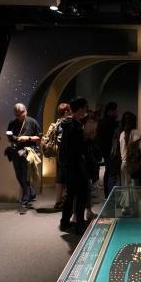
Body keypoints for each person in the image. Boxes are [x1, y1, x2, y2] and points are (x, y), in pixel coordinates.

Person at [59, 98, 92, 234]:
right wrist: (88, 140)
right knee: (81, 194)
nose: (85, 111)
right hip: (77, 164)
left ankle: (65, 222)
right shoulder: (76, 126)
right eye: (84, 108)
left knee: (70, 194)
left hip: (68, 165)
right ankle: (79, 224)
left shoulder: (66, 124)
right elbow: (79, 147)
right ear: (80, 109)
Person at [6, 103, 42, 212]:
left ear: (25, 111)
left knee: (25, 175)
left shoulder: (32, 122)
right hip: (15, 151)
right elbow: (10, 137)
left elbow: (39, 137)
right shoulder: (12, 123)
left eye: (21, 113)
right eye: (17, 114)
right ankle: (31, 193)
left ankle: (24, 201)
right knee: (19, 175)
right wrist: (13, 137)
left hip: (27, 151)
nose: (20, 116)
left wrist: (27, 138)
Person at [46, 103, 71, 209]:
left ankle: (58, 200)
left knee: (60, 177)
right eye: (69, 110)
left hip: (60, 154)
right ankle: (66, 199)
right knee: (67, 177)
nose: (70, 112)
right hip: (67, 154)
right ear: (66, 112)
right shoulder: (66, 123)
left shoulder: (57, 122)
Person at [97, 101, 120, 197]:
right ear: (111, 111)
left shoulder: (101, 121)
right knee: (112, 174)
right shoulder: (112, 123)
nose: (117, 113)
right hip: (112, 152)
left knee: (108, 172)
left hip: (105, 151)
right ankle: (111, 195)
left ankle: (107, 194)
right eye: (116, 110)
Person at [117, 111, 137, 188]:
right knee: (133, 189)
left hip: (123, 164)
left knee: (125, 189)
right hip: (132, 165)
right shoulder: (135, 133)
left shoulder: (122, 134)